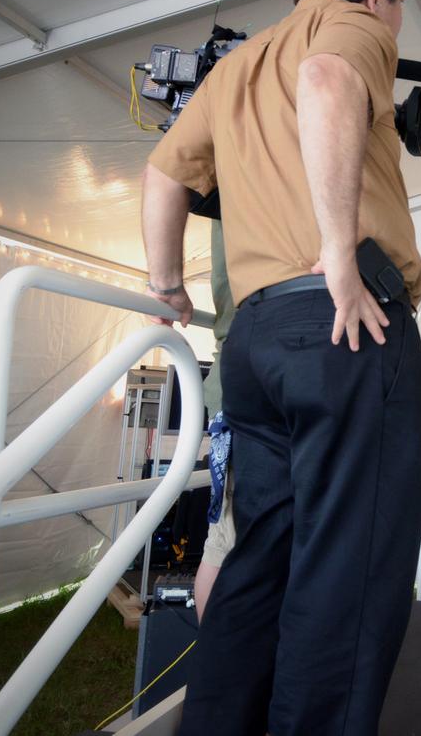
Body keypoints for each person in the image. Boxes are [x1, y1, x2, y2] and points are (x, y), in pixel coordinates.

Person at [140, 0, 421, 736]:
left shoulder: (236, 67)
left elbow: (163, 173)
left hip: (256, 337)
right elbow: (330, 84)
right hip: (342, 324)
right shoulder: (353, 28)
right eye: (399, 5)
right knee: (351, 571)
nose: (395, 21)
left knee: (258, 565)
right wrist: (340, 252)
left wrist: (167, 283)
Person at [193, 220, 235, 622]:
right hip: (243, 380)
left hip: (238, 372)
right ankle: (216, 663)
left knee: (225, 538)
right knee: (224, 540)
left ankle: (218, 663)